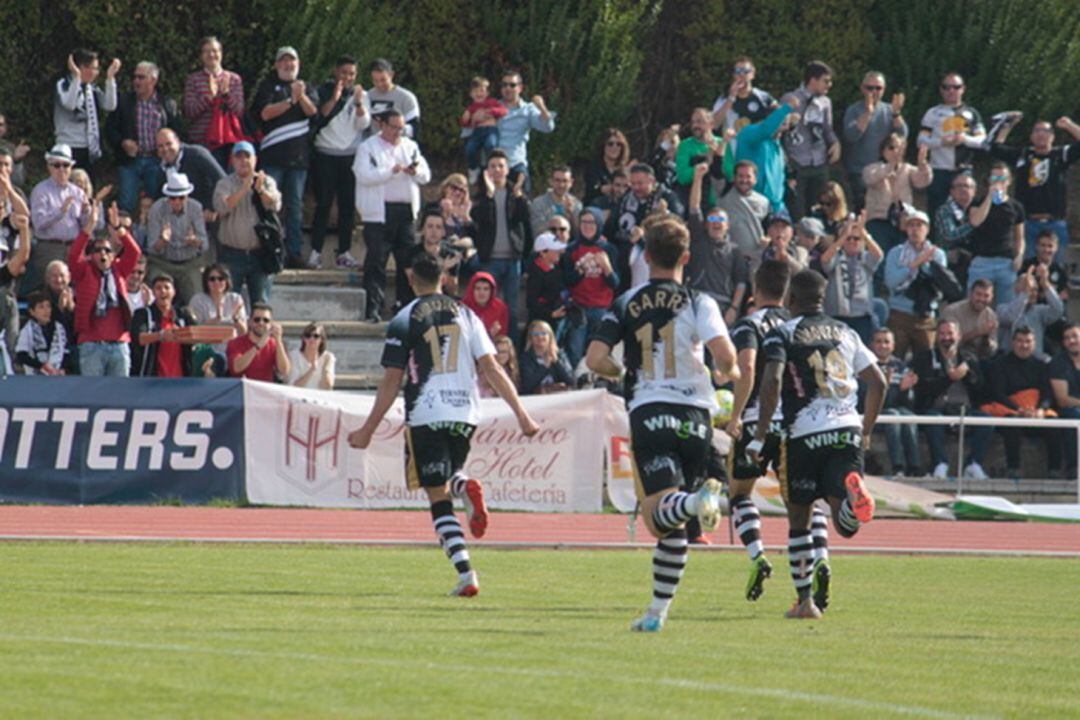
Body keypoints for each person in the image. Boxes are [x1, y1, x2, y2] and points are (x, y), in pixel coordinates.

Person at [348, 253, 540, 596]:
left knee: (437, 495)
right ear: (445, 280)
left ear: (411, 279)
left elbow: (392, 379)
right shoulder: (468, 315)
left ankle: (466, 572)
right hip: (466, 413)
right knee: (448, 473)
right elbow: (492, 368)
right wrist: (522, 415)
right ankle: (462, 484)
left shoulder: (405, 318)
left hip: (426, 411)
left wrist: (367, 430)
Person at [586, 217, 738, 632]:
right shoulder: (699, 301)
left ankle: (694, 504)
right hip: (697, 416)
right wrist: (730, 373)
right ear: (686, 258)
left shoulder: (627, 301)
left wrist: (623, 372)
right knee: (671, 525)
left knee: (658, 518)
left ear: (645, 255)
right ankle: (656, 613)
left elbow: (594, 359)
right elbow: (724, 357)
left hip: (651, 411)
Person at [750, 269, 885, 619]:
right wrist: (865, 430)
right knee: (844, 524)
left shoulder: (783, 332)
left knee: (799, 518)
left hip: (804, 433)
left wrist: (761, 434)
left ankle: (805, 602)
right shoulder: (847, 332)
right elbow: (879, 382)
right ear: (823, 299)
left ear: (791, 300)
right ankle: (853, 499)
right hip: (846, 429)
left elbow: (773, 379)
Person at [724, 259, 794, 602]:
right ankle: (814, 570)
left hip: (756, 421)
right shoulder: (798, 325)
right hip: (795, 424)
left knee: (738, 494)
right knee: (803, 502)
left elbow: (748, 366)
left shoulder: (749, 324)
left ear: (755, 289)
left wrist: (736, 415)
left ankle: (758, 553)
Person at [354, 108, 430, 321]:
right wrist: (390, 171)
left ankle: (404, 307)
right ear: (382, 125)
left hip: (405, 211)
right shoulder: (367, 148)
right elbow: (363, 175)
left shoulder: (410, 146)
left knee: (406, 263)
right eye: (394, 127)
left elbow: (426, 174)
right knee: (376, 261)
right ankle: (373, 308)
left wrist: (415, 172)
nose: (399, 132)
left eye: (402, 128)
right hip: (379, 213)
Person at [251, 47, 319, 269]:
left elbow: (313, 112)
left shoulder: (306, 86)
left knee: (295, 206)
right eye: (284, 62)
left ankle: (294, 252)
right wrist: (291, 100)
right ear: (276, 65)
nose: (288, 65)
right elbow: (264, 113)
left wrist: (301, 96)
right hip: (273, 157)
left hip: (298, 160)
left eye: (292, 62)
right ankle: (269, 249)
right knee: (268, 205)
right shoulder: (269, 86)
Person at [989, 114, 1080, 264]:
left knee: (1059, 267)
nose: (1041, 134)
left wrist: (1069, 125)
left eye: (1045, 131)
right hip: (1028, 223)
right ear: (1031, 136)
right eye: (1037, 131)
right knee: (1026, 266)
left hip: (1055, 222)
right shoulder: (1023, 156)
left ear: (1052, 136)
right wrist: (1008, 126)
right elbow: (996, 148)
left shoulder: (1060, 155)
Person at [911, 319, 992, 480]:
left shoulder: (969, 357)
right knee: (932, 420)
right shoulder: (925, 358)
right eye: (942, 333)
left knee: (986, 421)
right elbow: (923, 389)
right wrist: (949, 378)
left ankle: (973, 464)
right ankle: (939, 464)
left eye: (950, 333)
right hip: (938, 409)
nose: (946, 337)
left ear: (959, 335)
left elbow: (982, 389)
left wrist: (968, 376)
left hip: (965, 409)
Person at [310, 55, 370, 270]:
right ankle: (315, 251)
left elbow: (364, 124)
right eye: (344, 72)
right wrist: (335, 96)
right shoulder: (323, 91)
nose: (347, 77)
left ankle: (344, 252)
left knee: (347, 207)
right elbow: (321, 116)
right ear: (336, 71)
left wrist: (359, 103)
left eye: (352, 74)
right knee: (324, 204)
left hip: (350, 158)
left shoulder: (361, 95)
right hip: (325, 155)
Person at [68, 203, 141, 377]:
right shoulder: (84, 270)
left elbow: (134, 252)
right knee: (92, 395)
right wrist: (89, 227)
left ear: (113, 255)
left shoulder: (119, 270)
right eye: (97, 250)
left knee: (120, 398)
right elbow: (73, 255)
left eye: (107, 250)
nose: (103, 254)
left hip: (119, 343)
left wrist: (118, 228)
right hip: (92, 344)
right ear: (91, 254)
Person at [106, 61, 181, 214]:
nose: (136, 81)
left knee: (157, 202)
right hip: (130, 161)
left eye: (141, 78)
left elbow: (177, 133)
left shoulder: (167, 104)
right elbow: (109, 129)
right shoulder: (124, 102)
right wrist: (122, 143)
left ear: (153, 80)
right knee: (126, 203)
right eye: (135, 77)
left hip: (157, 160)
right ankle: (122, 235)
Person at [470, 150, 531, 335]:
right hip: (490, 260)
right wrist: (489, 195)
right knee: (489, 307)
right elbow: (480, 220)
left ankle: (510, 349)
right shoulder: (481, 197)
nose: (496, 170)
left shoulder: (515, 194)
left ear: (507, 169)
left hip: (513, 259)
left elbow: (525, 219)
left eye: (500, 166)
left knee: (511, 308)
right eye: (492, 166)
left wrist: (519, 196)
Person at [983, 327, 1057, 480]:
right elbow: (998, 394)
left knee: (1055, 424)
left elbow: (1047, 394)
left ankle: (1054, 471)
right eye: (1020, 341)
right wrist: (1019, 410)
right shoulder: (999, 365)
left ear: (1034, 343)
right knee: (1012, 424)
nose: (1024, 345)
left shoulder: (1041, 366)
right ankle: (1013, 469)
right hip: (1011, 411)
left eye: (1028, 341)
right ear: (1013, 343)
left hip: (1035, 413)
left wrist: (1041, 410)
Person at [214, 141, 282, 305]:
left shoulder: (267, 181)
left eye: (247, 156)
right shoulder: (225, 184)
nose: (243, 160)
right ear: (232, 161)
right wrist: (244, 188)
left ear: (255, 159)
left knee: (261, 304)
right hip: (231, 255)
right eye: (239, 157)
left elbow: (274, 205)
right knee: (229, 305)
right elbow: (222, 207)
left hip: (260, 254)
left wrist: (260, 190)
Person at [686, 163, 747, 327]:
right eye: (712, 219)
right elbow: (694, 207)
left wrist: (734, 308)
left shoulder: (735, 251)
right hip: (697, 301)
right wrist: (698, 178)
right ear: (706, 224)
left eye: (720, 220)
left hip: (723, 306)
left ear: (727, 225)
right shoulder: (699, 240)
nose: (716, 223)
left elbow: (741, 282)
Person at [918, 72, 986, 217]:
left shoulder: (972, 113)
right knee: (936, 213)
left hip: (963, 171)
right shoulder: (933, 113)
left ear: (963, 89)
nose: (951, 91)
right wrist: (941, 142)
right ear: (941, 90)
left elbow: (983, 141)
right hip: (939, 171)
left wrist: (964, 139)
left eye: (955, 87)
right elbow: (921, 141)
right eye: (946, 87)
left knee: (963, 214)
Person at [606, 163, 683, 288]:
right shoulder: (626, 197)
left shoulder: (668, 198)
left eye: (640, 183)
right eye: (633, 183)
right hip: (624, 254)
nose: (636, 188)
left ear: (652, 181)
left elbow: (679, 225)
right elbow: (612, 225)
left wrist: (665, 215)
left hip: (654, 256)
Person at [884, 209, 948, 358]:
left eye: (919, 225)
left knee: (926, 363)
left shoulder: (937, 254)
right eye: (911, 225)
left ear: (927, 229)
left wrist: (926, 266)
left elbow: (939, 284)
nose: (915, 229)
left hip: (925, 316)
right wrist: (914, 265)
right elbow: (891, 282)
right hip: (899, 314)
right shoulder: (896, 253)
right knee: (894, 359)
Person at [782, 61, 840, 219]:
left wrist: (835, 143)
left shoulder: (825, 102)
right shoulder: (791, 98)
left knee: (819, 207)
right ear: (813, 80)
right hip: (797, 162)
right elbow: (779, 128)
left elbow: (827, 128)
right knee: (798, 208)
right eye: (826, 81)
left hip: (819, 161)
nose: (830, 84)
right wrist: (789, 120)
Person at [561, 207, 618, 365]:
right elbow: (568, 280)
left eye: (592, 222)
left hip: (601, 308)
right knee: (575, 350)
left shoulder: (608, 249)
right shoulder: (572, 249)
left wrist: (607, 268)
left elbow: (615, 283)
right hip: (579, 307)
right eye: (584, 222)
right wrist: (581, 269)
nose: (587, 226)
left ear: (599, 224)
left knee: (600, 353)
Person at [842, 71, 908, 209]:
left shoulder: (889, 110)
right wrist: (868, 113)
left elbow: (902, 135)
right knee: (863, 210)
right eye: (869, 88)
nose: (874, 91)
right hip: (859, 171)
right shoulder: (853, 110)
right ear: (862, 88)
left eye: (878, 88)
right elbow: (851, 136)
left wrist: (896, 113)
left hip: (884, 169)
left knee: (885, 210)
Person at [28, 144, 87, 293]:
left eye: (65, 165)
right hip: (49, 247)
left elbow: (88, 227)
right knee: (50, 291)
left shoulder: (78, 192)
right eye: (57, 165)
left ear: (71, 168)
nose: (61, 169)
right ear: (49, 167)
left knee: (76, 290)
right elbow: (38, 223)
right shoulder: (40, 190)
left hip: (74, 247)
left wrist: (88, 213)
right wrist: (60, 211)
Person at [863, 135, 932, 257]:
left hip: (903, 222)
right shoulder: (872, 168)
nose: (896, 151)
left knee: (902, 257)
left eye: (899, 148)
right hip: (879, 220)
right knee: (879, 257)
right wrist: (891, 166)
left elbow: (922, 182)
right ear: (883, 150)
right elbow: (870, 178)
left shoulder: (908, 169)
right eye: (891, 148)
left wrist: (922, 164)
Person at [967, 163, 1025, 306]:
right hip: (981, 261)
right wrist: (989, 198)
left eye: (1002, 178)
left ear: (1009, 181)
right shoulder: (978, 202)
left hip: (1006, 262)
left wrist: (1019, 256)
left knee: (1006, 308)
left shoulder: (1016, 207)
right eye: (994, 178)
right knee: (974, 305)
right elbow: (975, 221)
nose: (998, 181)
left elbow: (1020, 237)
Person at [821, 214, 884, 345]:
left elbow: (879, 255)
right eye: (848, 239)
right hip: (837, 316)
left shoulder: (866, 258)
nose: (852, 242)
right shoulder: (836, 258)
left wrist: (864, 234)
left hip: (862, 317)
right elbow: (825, 260)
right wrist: (842, 237)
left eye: (856, 239)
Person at [145, 173, 208, 304]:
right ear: (167, 197)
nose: (177, 201)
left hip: (190, 263)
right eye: (173, 198)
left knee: (196, 301)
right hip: (163, 263)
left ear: (187, 196)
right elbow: (151, 248)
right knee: (155, 296)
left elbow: (204, 244)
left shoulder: (196, 208)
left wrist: (194, 241)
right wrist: (163, 241)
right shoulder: (157, 209)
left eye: (181, 197)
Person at [865, 328, 921, 477]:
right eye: (878, 341)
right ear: (871, 345)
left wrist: (905, 391)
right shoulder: (867, 367)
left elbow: (908, 403)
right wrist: (887, 387)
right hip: (873, 414)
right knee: (893, 414)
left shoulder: (901, 366)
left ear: (893, 345)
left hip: (897, 410)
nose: (882, 345)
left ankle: (915, 467)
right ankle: (898, 467)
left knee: (908, 416)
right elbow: (868, 399)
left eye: (886, 342)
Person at [182, 36, 245, 167]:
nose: (211, 54)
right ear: (201, 56)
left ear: (221, 53)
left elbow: (239, 111)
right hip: (201, 141)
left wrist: (226, 95)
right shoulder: (193, 79)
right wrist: (210, 97)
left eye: (215, 51)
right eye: (206, 51)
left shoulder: (233, 79)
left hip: (227, 141)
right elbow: (189, 112)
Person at [53, 49, 120, 173]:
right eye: (93, 68)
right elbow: (70, 104)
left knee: (87, 185)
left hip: (89, 146)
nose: (96, 73)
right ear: (81, 67)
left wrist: (110, 79)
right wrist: (77, 78)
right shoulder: (63, 83)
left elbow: (110, 105)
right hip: (68, 145)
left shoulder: (92, 88)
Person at [730, 97, 797, 213]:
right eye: (780, 119)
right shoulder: (749, 133)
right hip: (749, 204)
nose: (784, 122)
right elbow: (766, 129)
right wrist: (787, 108)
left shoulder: (778, 146)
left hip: (775, 207)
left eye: (786, 121)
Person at [497, 69, 555, 193]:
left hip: (516, 163)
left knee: (522, 206)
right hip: (495, 165)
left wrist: (541, 107)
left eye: (512, 85)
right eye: (504, 85)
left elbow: (548, 127)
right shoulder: (493, 107)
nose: (507, 88)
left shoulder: (528, 109)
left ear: (520, 88)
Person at [153, 128, 227, 222]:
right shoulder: (161, 166)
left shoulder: (197, 154)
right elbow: (160, 195)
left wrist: (212, 208)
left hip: (208, 216)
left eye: (168, 144)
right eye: (160, 146)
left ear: (178, 142)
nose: (165, 149)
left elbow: (223, 181)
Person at [131, 273, 196, 378]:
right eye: (158, 288)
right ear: (153, 293)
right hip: (151, 379)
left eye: (167, 287)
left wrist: (181, 335)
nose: (163, 291)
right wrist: (161, 336)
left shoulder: (183, 314)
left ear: (174, 292)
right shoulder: (143, 314)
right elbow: (139, 338)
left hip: (181, 379)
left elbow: (196, 336)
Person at [188, 263, 247, 375]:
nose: (216, 282)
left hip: (232, 349)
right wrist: (215, 320)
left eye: (221, 279)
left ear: (227, 280)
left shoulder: (235, 299)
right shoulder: (198, 300)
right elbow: (194, 331)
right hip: (207, 348)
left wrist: (236, 320)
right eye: (212, 279)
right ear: (206, 281)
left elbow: (244, 332)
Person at [996, 270, 1063, 361]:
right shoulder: (1002, 309)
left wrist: (1045, 284)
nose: (1032, 293)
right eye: (1026, 288)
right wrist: (1025, 294)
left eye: (1034, 289)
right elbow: (1011, 318)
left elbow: (1058, 310)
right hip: (1009, 362)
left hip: (1035, 361)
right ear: (1015, 289)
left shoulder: (1040, 311)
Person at [711, 57, 778, 136]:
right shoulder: (724, 98)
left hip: (760, 146)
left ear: (752, 74)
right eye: (738, 71)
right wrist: (731, 98)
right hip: (736, 147)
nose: (741, 75)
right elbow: (714, 124)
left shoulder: (764, 96)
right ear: (733, 75)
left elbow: (781, 117)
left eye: (745, 71)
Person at [718, 160, 769, 263]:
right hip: (730, 257)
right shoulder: (724, 194)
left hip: (755, 259)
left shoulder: (764, 202)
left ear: (755, 179)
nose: (744, 180)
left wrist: (768, 240)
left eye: (748, 176)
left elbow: (768, 228)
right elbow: (716, 170)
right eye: (740, 176)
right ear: (734, 178)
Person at [674, 107, 725, 211]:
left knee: (717, 226)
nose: (695, 126)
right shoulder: (685, 145)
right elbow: (682, 177)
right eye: (693, 122)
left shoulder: (722, 143)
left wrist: (718, 157)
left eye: (700, 121)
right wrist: (706, 161)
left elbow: (729, 174)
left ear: (711, 123)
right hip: (696, 204)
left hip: (720, 205)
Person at [226, 302, 289, 382]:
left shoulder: (273, 344)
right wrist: (258, 346)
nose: (261, 323)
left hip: (264, 391)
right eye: (257, 320)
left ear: (270, 324)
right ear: (250, 322)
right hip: (242, 391)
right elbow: (236, 368)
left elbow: (284, 370)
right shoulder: (235, 343)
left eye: (266, 320)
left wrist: (279, 340)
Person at [460, 76, 506, 184]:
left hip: (491, 130)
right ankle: (473, 169)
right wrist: (467, 118)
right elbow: (464, 123)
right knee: (470, 149)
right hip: (477, 132)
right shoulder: (471, 107)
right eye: (475, 91)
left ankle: (490, 169)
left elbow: (503, 111)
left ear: (487, 93)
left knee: (490, 145)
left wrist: (491, 111)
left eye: (481, 91)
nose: (478, 94)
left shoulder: (492, 102)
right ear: (471, 94)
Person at [1048, 323, 1080, 477]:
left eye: (1075, 336)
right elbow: (1062, 400)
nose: (1071, 341)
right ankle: (1074, 468)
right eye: (1067, 338)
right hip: (1068, 411)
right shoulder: (1058, 363)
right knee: (1074, 415)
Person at [941, 279, 999, 360]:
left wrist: (987, 338)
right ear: (970, 294)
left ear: (992, 297)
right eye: (978, 294)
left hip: (980, 358)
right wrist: (977, 332)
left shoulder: (991, 315)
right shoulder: (952, 311)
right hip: (955, 357)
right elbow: (945, 343)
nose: (981, 299)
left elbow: (993, 349)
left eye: (986, 296)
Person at [365, 58, 421, 141]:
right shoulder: (368, 96)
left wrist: (393, 128)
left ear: (391, 75)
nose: (379, 84)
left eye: (383, 80)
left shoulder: (407, 98)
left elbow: (414, 129)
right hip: (374, 147)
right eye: (375, 81)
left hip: (398, 147)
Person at [15, 291, 66, 375]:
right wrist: (41, 366)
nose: (46, 311)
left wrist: (64, 369)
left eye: (48, 306)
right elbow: (22, 355)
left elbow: (65, 352)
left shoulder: (58, 327)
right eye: (41, 307)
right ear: (32, 311)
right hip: (35, 376)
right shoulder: (27, 329)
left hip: (57, 374)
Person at [525, 231, 568, 331]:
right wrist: (550, 313)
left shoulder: (556, 268)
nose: (559, 252)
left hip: (556, 318)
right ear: (543, 253)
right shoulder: (535, 274)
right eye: (555, 250)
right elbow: (531, 302)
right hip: (541, 322)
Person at [520, 319, 574, 395]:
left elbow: (571, 381)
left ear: (550, 336)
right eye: (536, 334)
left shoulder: (560, 354)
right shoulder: (526, 357)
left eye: (543, 333)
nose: (540, 336)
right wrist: (545, 366)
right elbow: (527, 386)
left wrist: (556, 362)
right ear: (530, 338)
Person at [530, 165, 582, 237]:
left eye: (565, 181)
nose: (561, 185)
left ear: (571, 183)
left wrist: (572, 215)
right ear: (551, 181)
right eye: (557, 180)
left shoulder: (576, 204)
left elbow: (580, 234)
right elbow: (538, 232)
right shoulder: (538, 203)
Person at [583, 128, 630, 207]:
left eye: (619, 144)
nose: (614, 147)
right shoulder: (593, 168)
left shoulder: (624, 170)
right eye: (610, 144)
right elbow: (592, 191)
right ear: (603, 146)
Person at [287, 321, 335, 390]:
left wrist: (325, 369)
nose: (311, 339)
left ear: (321, 340)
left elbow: (328, 386)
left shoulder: (328, 357)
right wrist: (312, 369)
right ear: (303, 338)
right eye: (308, 335)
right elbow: (293, 387)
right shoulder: (294, 356)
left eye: (316, 336)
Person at [461, 271, 508, 339]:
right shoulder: (463, 307)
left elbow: (502, 337)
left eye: (486, 289)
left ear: (491, 291)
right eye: (478, 288)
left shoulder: (500, 307)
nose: (481, 293)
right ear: (472, 290)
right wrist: (489, 334)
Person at [0, 113, 31, 188]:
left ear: (5, 128)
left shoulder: (10, 148)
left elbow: (18, 182)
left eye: (0, 125)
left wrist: (16, 161)